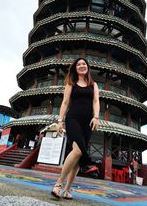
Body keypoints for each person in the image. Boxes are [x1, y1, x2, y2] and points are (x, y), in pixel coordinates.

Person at [51, 58, 100, 200]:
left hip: (88, 122)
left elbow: (96, 101)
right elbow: (65, 102)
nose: (81, 66)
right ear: (75, 68)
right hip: (73, 119)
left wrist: (96, 117)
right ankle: (58, 184)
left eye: (84, 64)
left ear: (87, 67)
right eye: (79, 64)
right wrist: (60, 121)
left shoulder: (93, 85)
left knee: (78, 158)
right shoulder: (71, 83)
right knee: (78, 150)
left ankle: (67, 190)